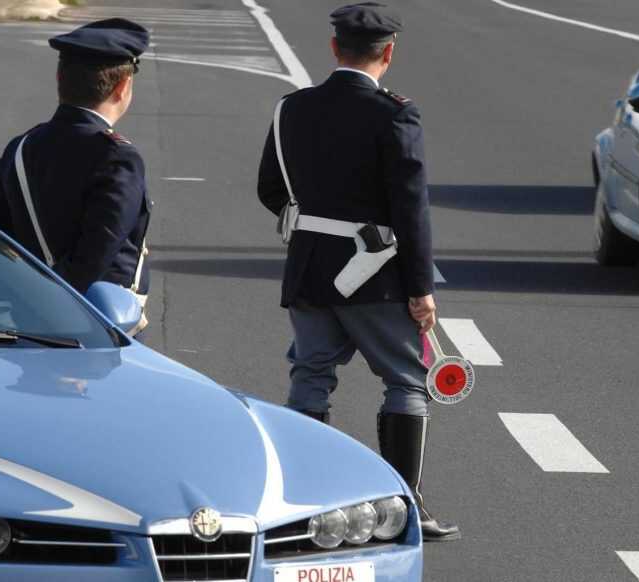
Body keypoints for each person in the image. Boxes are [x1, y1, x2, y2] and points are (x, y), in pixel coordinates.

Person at [257, 2, 459, 540]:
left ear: (333, 48)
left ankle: (300, 503)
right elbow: (410, 206)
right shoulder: (396, 114)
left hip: (308, 270)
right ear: (388, 52)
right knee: (405, 381)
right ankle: (406, 504)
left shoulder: (292, 108)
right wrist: (420, 289)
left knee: (311, 377)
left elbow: (270, 191)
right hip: (377, 275)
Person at [0, 18, 151, 334]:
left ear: (60, 77)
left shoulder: (22, 146)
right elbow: (95, 255)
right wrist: (57, 315)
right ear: (122, 87)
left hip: (26, 315)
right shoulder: (118, 157)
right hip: (93, 326)